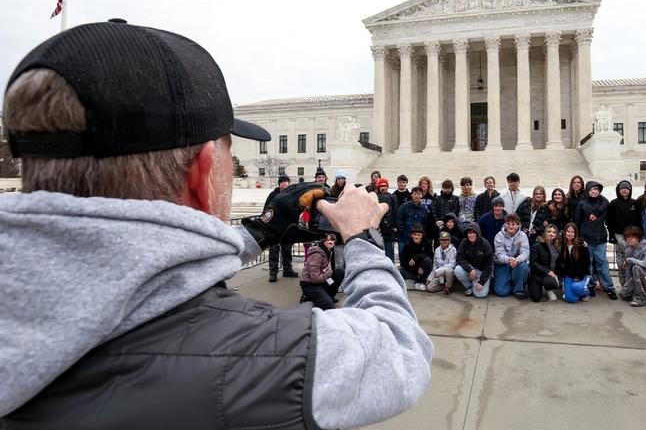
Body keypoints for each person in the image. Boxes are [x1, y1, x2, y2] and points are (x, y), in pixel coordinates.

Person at [0, 21, 431, 429]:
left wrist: (260, 231)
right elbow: (399, 350)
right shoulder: (265, 357)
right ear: (203, 172)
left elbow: (134, 264)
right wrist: (362, 237)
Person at [574, 181, 618, 300]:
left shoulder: (603, 203)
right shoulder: (582, 203)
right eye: (592, 189)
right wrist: (577, 237)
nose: (594, 191)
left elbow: (608, 219)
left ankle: (609, 287)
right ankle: (590, 285)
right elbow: (577, 221)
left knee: (602, 263)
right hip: (586, 237)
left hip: (600, 238)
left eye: (596, 190)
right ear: (588, 190)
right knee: (589, 263)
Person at [264, 174, 299, 282]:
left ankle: (287, 270)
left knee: (287, 249)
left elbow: (295, 209)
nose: (285, 184)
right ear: (279, 184)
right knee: (274, 249)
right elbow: (266, 209)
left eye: (287, 182)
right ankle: (273, 272)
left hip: (287, 227)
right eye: (283, 182)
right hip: (274, 227)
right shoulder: (273, 195)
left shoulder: (291, 195)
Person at [606, 180, 641, 284]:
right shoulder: (613, 203)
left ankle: (633, 283)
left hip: (633, 236)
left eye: (626, 188)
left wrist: (638, 235)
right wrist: (612, 236)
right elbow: (609, 221)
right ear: (618, 190)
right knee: (621, 261)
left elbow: (638, 220)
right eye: (622, 188)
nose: (624, 190)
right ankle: (623, 284)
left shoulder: (635, 203)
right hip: (619, 235)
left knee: (633, 260)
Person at [300, 234, 345, 310]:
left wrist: (328, 272)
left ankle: (329, 296)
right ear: (323, 241)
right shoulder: (317, 255)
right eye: (329, 239)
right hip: (310, 285)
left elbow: (327, 270)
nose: (332, 242)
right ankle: (307, 298)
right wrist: (328, 273)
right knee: (329, 307)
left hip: (322, 280)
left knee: (339, 273)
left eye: (334, 240)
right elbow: (315, 279)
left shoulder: (328, 252)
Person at [493, 214, 531, 298]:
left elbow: (525, 252)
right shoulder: (498, 236)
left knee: (524, 266)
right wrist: (509, 260)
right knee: (501, 292)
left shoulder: (523, 236)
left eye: (513, 224)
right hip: (502, 264)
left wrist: (517, 260)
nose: (510, 226)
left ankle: (518, 290)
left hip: (517, 263)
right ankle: (505, 282)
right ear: (505, 224)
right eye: (508, 223)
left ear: (518, 225)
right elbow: (499, 254)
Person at [618, 226, 646, 307]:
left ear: (638, 238)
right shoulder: (628, 249)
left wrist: (631, 260)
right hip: (634, 276)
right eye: (628, 237)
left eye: (632, 237)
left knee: (636, 268)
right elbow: (628, 269)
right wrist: (626, 284)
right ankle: (637, 293)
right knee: (624, 294)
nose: (629, 239)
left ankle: (641, 298)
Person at [454, 223, 493, 298]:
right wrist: (469, 269)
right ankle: (470, 287)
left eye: (473, 232)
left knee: (480, 294)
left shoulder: (485, 244)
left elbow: (489, 265)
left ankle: (484, 283)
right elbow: (460, 257)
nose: (471, 235)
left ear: (478, 233)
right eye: (469, 233)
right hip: (470, 269)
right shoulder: (464, 242)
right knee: (457, 270)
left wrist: (481, 281)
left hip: (482, 272)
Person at [557, 223, 592, 303]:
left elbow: (586, 263)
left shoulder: (582, 245)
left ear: (575, 233)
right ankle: (571, 292)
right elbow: (560, 262)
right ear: (565, 232)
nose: (570, 234)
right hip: (568, 274)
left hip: (580, 275)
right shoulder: (562, 244)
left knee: (577, 287)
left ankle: (585, 293)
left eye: (572, 232)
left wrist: (579, 276)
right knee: (572, 299)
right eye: (568, 231)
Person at [529, 225, 562, 302]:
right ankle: (534, 284)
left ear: (556, 235)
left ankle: (548, 289)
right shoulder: (537, 245)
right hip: (537, 275)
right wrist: (548, 271)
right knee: (536, 298)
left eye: (554, 232)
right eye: (549, 231)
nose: (551, 234)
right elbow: (533, 263)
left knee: (550, 282)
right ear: (545, 233)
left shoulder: (558, 246)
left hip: (549, 276)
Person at [396, 186, 430, 258]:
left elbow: (424, 224)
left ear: (422, 195)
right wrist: (404, 232)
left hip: (417, 239)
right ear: (412, 194)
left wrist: (420, 236)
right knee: (402, 256)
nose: (417, 196)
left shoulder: (424, 209)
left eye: (419, 194)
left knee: (415, 258)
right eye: (415, 194)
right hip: (404, 237)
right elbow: (399, 221)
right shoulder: (404, 207)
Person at [399, 224, 434, 291]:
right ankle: (419, 281)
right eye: (415, 235)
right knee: (401, 270)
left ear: (422, 235)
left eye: (418, 235)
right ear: (412, 235)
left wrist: (417, 257)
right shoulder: (407, 245)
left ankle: (418, 281)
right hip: (413, 270)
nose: (416, 237)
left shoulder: (427, 243)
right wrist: (417, 270)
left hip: (423, 268)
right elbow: (405, 263)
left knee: (428, 260)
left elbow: (431, 256)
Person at [376, 178, 397, 261]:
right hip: (379, 228)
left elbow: (395, 212)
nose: (383, 188)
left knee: (389, 251)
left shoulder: (392, 197)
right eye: (381, 186)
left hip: (389, 228)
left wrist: (394, 226)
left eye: (385, 186)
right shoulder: (376, 197)